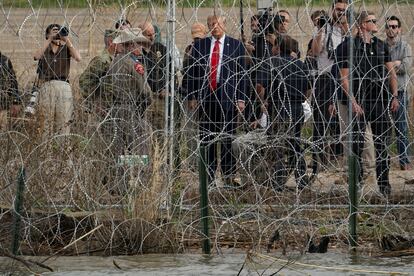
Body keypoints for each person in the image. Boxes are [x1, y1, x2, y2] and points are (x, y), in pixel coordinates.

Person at [336, 11, 399, 197]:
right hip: (359, 102)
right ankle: (356, 185)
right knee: (356, 145)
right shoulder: (348, 47)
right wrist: (353, 102)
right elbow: (344, 79)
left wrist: (394, 95)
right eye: (371, 21)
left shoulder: (380, 46)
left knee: (382, 145)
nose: (375, 23)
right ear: (362, 25)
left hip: (379, 99)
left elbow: (391, 72)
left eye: (374, 20)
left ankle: (384, 186)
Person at [187, 15, 247, 187]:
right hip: (207, 96)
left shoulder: (236, 46)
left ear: (225, 25)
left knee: (227, 137)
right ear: (208, 26)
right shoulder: (200, 45)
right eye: (212, 24)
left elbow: (241, 73)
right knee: (208, 138)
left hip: (227, 95)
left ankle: (228, 175)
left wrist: (240, 98)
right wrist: (192, 95)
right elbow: (193, 73)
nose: (215, 26)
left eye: (218, 23)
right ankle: (209, 176)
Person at [257, 36, 311, 191]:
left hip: (278, 107)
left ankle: (278, 182)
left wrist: (262, 101)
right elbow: (308, 89)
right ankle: (301, 179)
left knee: (277, 145)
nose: (272, 48)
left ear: (278, 47)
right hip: (296, 108)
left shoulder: (271, 62)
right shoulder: (300, 64)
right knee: (294, 143)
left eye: (274, 45)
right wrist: (299, 99)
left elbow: (260, 86)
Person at [106, 28, 152, 192]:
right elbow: (146, 92)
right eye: (139, 43)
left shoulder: (115, 62)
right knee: (141, 149)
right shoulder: (135, 65)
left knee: (119, 149)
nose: (141, 47)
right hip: (132, 110)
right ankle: (141, 183)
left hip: (115, 110)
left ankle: (120, 184)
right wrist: (144, 107)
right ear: (130, 45)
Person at [310, 0, 348, 175]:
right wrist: (320, 30)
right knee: (320, 119)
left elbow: (354, 47)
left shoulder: (347, 29)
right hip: (324, 78)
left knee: (339, 120)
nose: (340, 13)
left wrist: (346, 24)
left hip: (343, 78)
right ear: (332, 9)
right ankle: (318, 159)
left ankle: (338, 158)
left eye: (343, 10)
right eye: (338, 9)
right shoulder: (323, 28)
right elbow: (316, 52)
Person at [33, 23, 81, 139]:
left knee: (64, 121)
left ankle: (62, 151)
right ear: (47, 34)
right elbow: (36, 56)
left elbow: (78, 58)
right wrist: (49, 40)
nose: (57, 34)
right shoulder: (45, 49)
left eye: (59, 31)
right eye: (54, 31)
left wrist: (66, 39)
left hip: (63, 84)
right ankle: (45, 152)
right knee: (45, 123)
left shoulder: (65, 49)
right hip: (47, 85)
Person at [385, 15, 412, 171]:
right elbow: (378, 68)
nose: (391, 29)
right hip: (384, 92)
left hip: (400, 92)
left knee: (401, 128)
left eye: (394, 26)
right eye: (389, 26)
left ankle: (404, 160)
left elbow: (406, 67)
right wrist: (396, 63)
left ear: (399, 29)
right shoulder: (381, 46)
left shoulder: (405, 47)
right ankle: (384, 160)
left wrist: (391, 66)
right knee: (385, 129)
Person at [79, 30, 118, 116]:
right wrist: (94, 101)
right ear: (111, 42)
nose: (122, 44)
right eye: (119, 41)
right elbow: (84, 81)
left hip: (111, 107)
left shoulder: (115, 59)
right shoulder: (102, 61)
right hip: (101, 109)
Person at [0, 51, 21, 130]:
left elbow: (13, 82)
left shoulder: (5, 61)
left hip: (3, 106)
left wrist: (16, 101)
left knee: (3, 130)